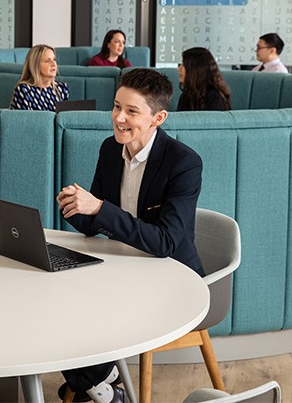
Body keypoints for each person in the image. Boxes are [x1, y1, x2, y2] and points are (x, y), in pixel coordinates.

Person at [56, 69, 204, 403]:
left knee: (93, 311)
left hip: (172, 276)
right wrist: (77, 207)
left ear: (158, 117)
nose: (119, 118)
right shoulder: (110, 149)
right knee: (56, 299)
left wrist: (99, 208)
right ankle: (100, 383)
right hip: (123, 267)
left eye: (132, 111)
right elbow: (98, 223)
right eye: (116, 107)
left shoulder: (184, 163)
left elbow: (166, 242)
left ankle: (95, 386)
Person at [10, 44, 69, 111]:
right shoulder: (24, 90)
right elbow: (23, 120)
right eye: (47, 61)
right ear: (36, 65)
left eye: (54, 59)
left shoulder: (62, 88)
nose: (53, 64)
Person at [177, 47, 231, 111]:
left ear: (195, 70)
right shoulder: (186, 96)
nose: (179, 69)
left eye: (183, 65)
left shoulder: (215, 98)